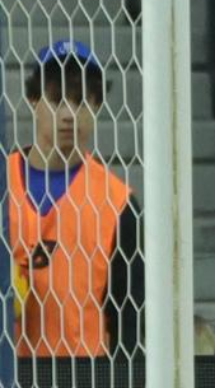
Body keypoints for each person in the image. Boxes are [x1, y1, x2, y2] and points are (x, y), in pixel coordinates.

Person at [8, 40, 142, 358]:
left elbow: (131, 321)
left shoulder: (117, 203)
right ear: (32, 101)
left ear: (97, 107)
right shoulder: (4, 184)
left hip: (83, 374)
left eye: (82, 101)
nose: (69, 114)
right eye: (56, 99)